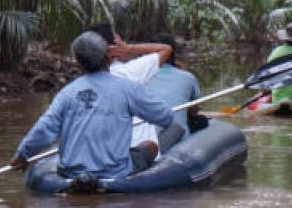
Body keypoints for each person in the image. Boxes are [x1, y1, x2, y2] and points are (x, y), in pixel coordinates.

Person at [9, 31, 174, 182]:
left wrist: (21, 156)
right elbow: (165, 117)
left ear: (79, 62)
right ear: (109, 57)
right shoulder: (128, 88)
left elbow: (43, 128)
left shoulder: (67, 93)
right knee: (150, 146)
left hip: (70, 174)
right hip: (115, 173)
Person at [87, 23, 185, 160]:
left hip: (103, 153)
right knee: (175, 128)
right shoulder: (131, 71)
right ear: (114, 45)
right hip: (137, 153)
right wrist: (129, 49)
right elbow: (166, 49)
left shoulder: (81, 84)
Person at [145, 34, 206, 137]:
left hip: (144, 140)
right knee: (201, 121)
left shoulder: (137, 77)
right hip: (174, 140)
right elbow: (193, 111)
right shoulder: (187, 77)